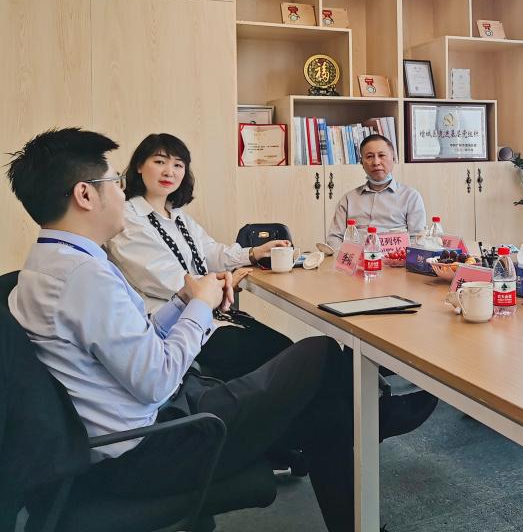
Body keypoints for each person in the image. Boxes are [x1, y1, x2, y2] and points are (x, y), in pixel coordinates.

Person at [5, 128, 361, 530]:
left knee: (325, 405)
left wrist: (181, 302)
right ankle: (373, 420)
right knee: (322, 353)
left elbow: (134, 339)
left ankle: (356, 438)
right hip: (153, 448)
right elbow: (157, 381)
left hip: (148, 422)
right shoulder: (83, 277)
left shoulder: (49, 262)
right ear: (85, 195)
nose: (122, 191)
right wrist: (200, 306)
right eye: (115, 182)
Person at [106, 133, 292, 380]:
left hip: (208, 315)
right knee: (281, 354)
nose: (169, 172)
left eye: (178, 165)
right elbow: (167, 279)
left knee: (284, 347)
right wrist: (222, 285)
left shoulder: (177, 215)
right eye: (159, 162)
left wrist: (253, 253)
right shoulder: (127, 218)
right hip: (170, 327)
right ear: (139, 166)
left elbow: (209, 251)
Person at [326, 133, 427, 249]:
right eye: (369, 156)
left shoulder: (410, 197)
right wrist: (345, 256)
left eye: (381, 155)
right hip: (357, 258)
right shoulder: (348, 199)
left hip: (396, 258)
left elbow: (418, 239)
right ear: (362, 163)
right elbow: (334, 237)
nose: (376, 162)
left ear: (393, 159)